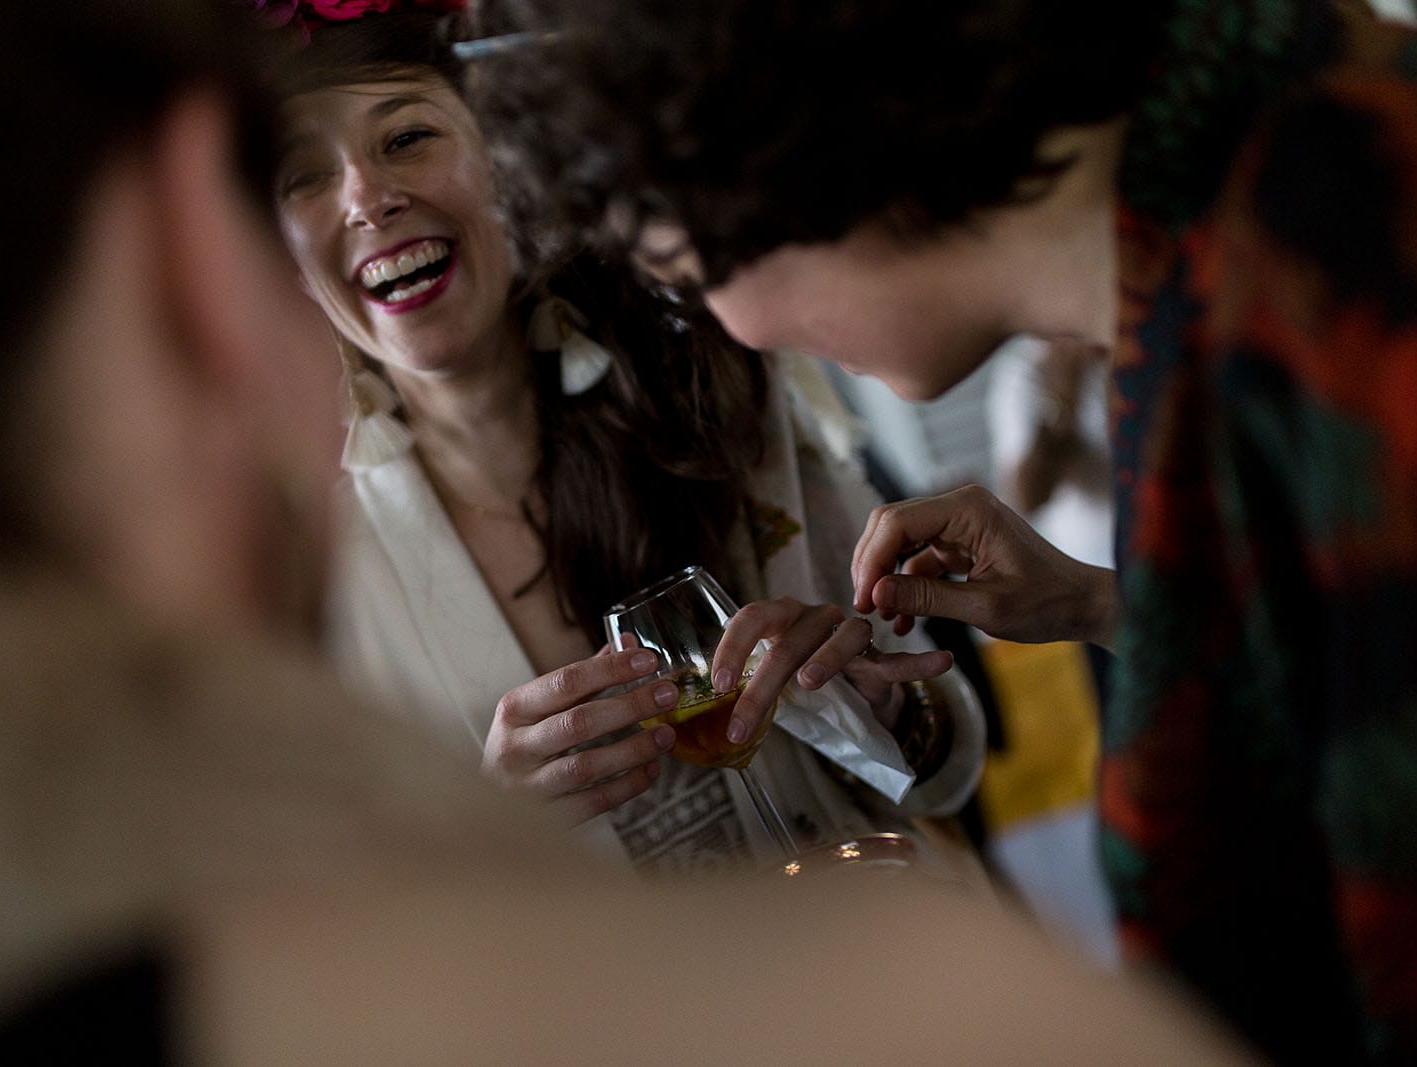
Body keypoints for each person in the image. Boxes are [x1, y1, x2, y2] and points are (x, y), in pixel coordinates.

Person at [465, 0, 1417, 1060]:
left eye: (690, 279)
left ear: (777, 144)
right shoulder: (1235, 191)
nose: (738, 332)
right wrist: (1099, 600)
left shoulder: (1347, 244)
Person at [256, 2, 987, 879]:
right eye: (302, 173)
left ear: (505, 153)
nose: (368, 198)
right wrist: (492, 837)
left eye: (406, 137)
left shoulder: (709, 385)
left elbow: (944, 767)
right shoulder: (307, 575)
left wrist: (885, 704)